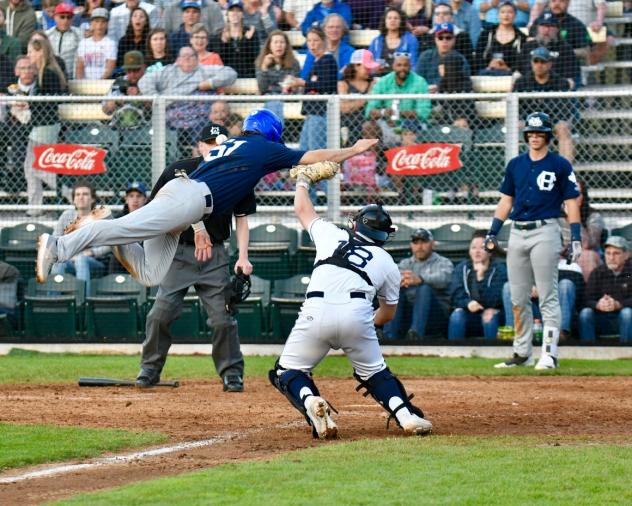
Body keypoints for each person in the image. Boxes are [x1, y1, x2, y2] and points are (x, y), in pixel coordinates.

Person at [36, 109, 379, 288]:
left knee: (151, 272)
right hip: (188, 201)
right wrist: (353, 149)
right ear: (270, 133)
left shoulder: (237, 144)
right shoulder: (262, 146)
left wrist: (197, 226)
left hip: (186, 202)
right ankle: (59, 246)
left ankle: (102, 224)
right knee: (124, 230)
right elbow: (311, 156)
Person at [269, 189, 433, 439]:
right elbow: (388, 314)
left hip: (315, 310)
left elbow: (302, 209)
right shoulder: (388, 261)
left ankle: (310, 398)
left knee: (287, 371)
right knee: (376, 373)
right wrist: (362, 328)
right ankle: (405, 415)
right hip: (357, 312)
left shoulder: (331, 234)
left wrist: (303, 181)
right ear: (384, 235)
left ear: (356, 225)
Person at [137, 124, 253, 391]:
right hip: (179, 253)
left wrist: (243, 257)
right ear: (199, 145)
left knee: (223, 317)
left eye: (219, 141)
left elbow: (242, 219)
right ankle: (149, 369)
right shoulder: (179, 170)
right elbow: (157, 208)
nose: (213, 146)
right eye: (208, 142)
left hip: (215, 255)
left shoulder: (238, 172)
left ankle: (231, 373)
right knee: (160, 315)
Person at [488, 112, 581, 370]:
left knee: (548, 294)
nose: (535, 137)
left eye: (540, 133)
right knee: (518, 297)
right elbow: (506, 201)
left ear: (548, 136)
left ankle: (549, 354)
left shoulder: (560, 164)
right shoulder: (516, 164)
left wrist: (575, 236)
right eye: (531, 133)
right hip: (517, 230)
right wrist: (492, 231)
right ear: (526, 135)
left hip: (546, 229)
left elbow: (571, 202)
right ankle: (522, 352)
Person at [138, 45, 237, 157]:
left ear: (197, 59)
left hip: (201, 118)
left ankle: (202, 154)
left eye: (192, 56)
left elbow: (230, 73)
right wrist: (157, 98)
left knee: (210, 125)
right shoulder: (168, 71)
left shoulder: (203, 70)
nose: (188, 59)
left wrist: (209, 83)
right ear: (178, 60)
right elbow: (143, 82)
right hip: (174, 116)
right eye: (184, 56)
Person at [383, 228, 454, 340]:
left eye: (424, 242)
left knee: (424, 288)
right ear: (411, 245)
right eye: (416, 243)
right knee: (395, 289)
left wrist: (420, 279)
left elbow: (445, 279)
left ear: (432, 244)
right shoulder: (404, 263)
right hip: (408, 314)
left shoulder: (443, 262)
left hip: (436, 316)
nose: (419, 247)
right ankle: (389, 335)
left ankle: (415, 335)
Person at [24, 36, 67, 216]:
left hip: (45, 127)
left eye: (31, 51)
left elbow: (48, 105)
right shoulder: (43, 71)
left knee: (36, 167)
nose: (28, 55)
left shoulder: (48, 73)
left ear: (40, 51)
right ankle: (34, 208)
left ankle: (72, 193)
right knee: (30, 167)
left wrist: (28, 104)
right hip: (42, 126)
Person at [513, 46, 574, 162]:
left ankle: (565, 172)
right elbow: (517, 110)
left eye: (543, 62)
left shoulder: (560, 83)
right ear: (531, 63)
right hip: (528, 121)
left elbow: (564, 109)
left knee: (563, 128)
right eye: (536, 61)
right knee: (515, 126)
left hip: (551, 121)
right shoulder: (522, 82)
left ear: (550, 64)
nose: (539, 65)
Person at [51, 180, 110, 293]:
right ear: (73, 199)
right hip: (69, 260)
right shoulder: (67, 215)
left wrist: (92, 252)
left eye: (85, 194)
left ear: (92, 199)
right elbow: (55, 240)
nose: (81, 197)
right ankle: (52, 301)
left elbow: (110, 245)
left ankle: (82, 303)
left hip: (94, 262)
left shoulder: (101, 218)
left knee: (81, 260)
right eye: (77, 194)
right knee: (58, 263)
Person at [448, 230, 507, 340]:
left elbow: (496, 299)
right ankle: (454, 353)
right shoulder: (462, 268)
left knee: (490, 317)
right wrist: (467, 303)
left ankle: (493, 354)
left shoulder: (499, 269)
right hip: (469, 314)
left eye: (482, 247)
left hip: (494, 314)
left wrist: (480, 278)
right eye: (474, 248)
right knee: (457, 315)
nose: (477, 251)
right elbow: (455, 294)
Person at [286, 26, 337, 152]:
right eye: (309, 41)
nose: (312, 44)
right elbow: (311, 85)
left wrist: (302, 83)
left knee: (316, 151)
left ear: (324, 41)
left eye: (316, 40)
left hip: (321, 112)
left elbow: (326, 85)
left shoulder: (328, 60)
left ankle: (319, 172)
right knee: (304, 150)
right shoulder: (316, 61)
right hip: (310, 113)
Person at [365, 53, 431, 147]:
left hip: (412, 126)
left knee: (410, 124)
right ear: (393, 66)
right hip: (386, 124)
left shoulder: (420, 81)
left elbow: (424, 112)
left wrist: (399, 113)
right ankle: (374, 160)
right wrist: (384, 113)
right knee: (369, 126)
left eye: (405, 65)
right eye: (399, 65)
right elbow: (369, 112)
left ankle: (407, 159)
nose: (402, 68)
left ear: (411, 66)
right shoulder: (383, 81)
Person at [578, 236, 632, 344]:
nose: (611, 257)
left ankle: (626, 351)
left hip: (624, 320)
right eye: (608, 253)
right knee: (585, 313)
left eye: (616, 253)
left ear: (626, 255)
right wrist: (598, 304)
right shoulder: (597, 272)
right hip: (601, 319)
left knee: (627, 313)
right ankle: (588, 353)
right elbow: (585, 300)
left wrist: (618, 304)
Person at [521, 11, 580, 89]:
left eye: (550, 26)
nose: (546, 30)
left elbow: (571, 77)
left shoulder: (565, 48)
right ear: (537, 28)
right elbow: (519, 70)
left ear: (557, 29)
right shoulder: (527, 46)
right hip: (530, 88)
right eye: (543, 26)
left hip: (556, 89)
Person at [255, 29, 300, 123]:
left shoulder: (294, 63)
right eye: (275, 42)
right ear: (269, 46)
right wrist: (264, 67)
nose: (279, 45)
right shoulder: (261, 62)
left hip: (288, 98)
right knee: (274, 103)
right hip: (270, 99)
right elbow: (262, 88)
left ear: (286, 45)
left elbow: (296, 86)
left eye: (282, 42)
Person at [338, 48, 378, 146]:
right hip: (348, 126)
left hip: (368, 127)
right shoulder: (343, 84)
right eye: (366, 67)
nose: (369, 71)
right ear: (356, 66)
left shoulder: (373, 82)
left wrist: (355, 103)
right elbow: (344, 108)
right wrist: (366, 98)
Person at [210, 0, 259, 78]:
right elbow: (220, 61)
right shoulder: (219, 35)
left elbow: (251, 59)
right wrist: (224, 43)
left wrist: (245, 40)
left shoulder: (251, 33)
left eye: (238, 11)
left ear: (242, 14)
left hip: (247, 77)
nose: (235, 13)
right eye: (232, 10)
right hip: (225, 78)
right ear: (227, 14)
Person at [474, 1, 526, 76]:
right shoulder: (486, 34)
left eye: (510, 12)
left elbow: (523, 62)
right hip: (487, 74)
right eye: (503, 12)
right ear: (498, 15)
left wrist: (507, 68)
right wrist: (489, 66)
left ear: (515, 16)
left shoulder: (521, 37)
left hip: (510, 75)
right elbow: (478, 57)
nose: (506, 15)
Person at [417, 3, 475, 67]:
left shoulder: (463, 36)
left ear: (452, 17)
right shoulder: (427, 37)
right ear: (434, 18)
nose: (441, 16)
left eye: (445, 13)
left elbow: (469, 62)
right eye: (437, 14)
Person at [301, 13, 355, 80]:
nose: (334, 30)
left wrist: (318, 79)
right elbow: (304, 75)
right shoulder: (314, 49)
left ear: (343, 30)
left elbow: (346, 76)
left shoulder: (350, 51)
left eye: (338, 27)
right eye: (330, 27)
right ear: (324, 29)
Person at [109, 181, 148, 274]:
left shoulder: (150, 218)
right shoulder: (118, 218)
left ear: (145, 199)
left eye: (138, 196)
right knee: (115, 258)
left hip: (144, 256)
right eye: (131, 196)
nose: (135, 200)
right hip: (123, 256)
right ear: (126, 199)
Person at [416, 22, 469, 88]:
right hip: (427, 95)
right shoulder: (425, 56)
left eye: (448, 38)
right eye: (440, 38)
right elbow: (417, 81)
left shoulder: (461, 59)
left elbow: (465, 85)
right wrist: (426, 88)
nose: (444, 41)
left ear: (454, 40)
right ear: (435, 39)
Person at [102, 50, 149, 127]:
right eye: (129, 70)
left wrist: (139, 96)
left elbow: (157, 108)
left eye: (136, 70)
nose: (132, 74)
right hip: (120, 125)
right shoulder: (120, 82)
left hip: (146, 126)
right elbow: (106, 110)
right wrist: (117, 101)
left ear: (143, 67)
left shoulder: (150, 80)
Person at [368, 6, 418, 75]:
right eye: (389, 18)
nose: (392, 20)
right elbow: (369, 65)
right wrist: (374, 70)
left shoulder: (410, 40)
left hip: (402, 79)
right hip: (379, 80)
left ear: (401, 21)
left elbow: (413, 65)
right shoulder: (376, 41)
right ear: (385, 21)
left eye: (396, 18)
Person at [437, 51, 477, 129]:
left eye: (443, 67)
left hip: (466, 118)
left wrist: (461, 117)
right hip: (447, 116)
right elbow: (442, 103)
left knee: (463, 125)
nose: (441, 70)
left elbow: (468, 104)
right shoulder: (443, 83)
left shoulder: (465, 81)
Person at [75, 8, 117, 80]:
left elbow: (109, 68)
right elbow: (80, 66)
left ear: (107, 24)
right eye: (97, 21)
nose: (99, 25)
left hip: (103, 85)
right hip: (85, 86)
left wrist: (97, 84)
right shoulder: (83, 43)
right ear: (91, 23)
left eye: (103, 22)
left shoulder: (111, 43)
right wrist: (80, 83)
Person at [45, 3, 81, 78]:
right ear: (55, 17)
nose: (65, 20)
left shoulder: (79, 34)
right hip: (51, 76)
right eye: (62, 17)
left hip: (70, 76)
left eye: (69, 17)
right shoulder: (47, 35)